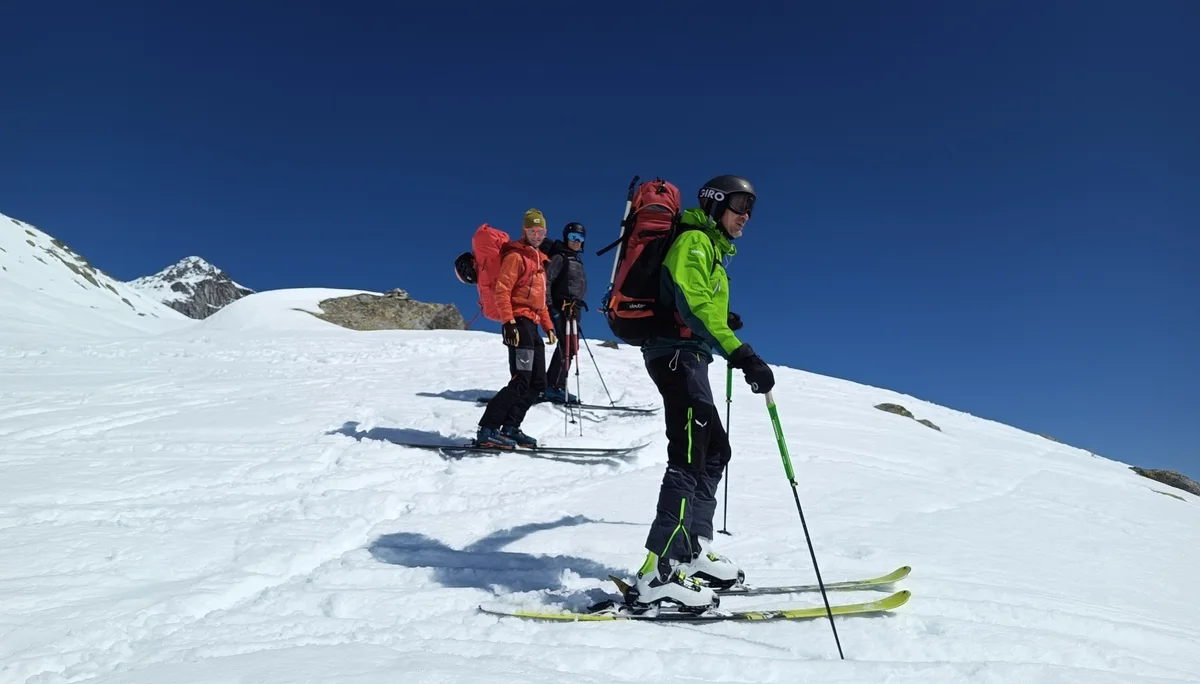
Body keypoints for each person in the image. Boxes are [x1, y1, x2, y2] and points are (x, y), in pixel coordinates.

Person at [629, 175, 776, 611]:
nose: (745, 216)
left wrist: (722, 320)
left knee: (714, 452)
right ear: (714, 206)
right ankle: (655, 573)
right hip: (674, 357)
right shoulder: (694, 241)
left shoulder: (710, 250)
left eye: (750, 208)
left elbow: (696, 303)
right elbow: (693, 303)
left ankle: (689, 551)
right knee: (689, 459)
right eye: (738, 206)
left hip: (689, 356)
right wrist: (742, 354)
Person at [475, 209, 558, 449]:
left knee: (538, 383)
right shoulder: (516, 256)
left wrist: (548, 326)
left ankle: (511, 427)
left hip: (532, 326)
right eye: (532, 230)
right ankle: (488, 429)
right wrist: (509, 322)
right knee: (521, 379)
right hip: (518, 324)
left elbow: (540, 302)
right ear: (524, 231)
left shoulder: (540, 262)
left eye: (540, 231)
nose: (536, 234)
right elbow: (502, 290)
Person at [542, 222, 589, 404]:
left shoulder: (575, 259)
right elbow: (547, 281)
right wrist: (551, 307)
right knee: (567, 345)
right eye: (573, 238)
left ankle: (555, 384)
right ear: (566, 238)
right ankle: (554, 386)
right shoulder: (560, 257)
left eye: (580, 239)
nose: (577, 242)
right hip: (562, 308)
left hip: (574, 309)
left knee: (571, 346)